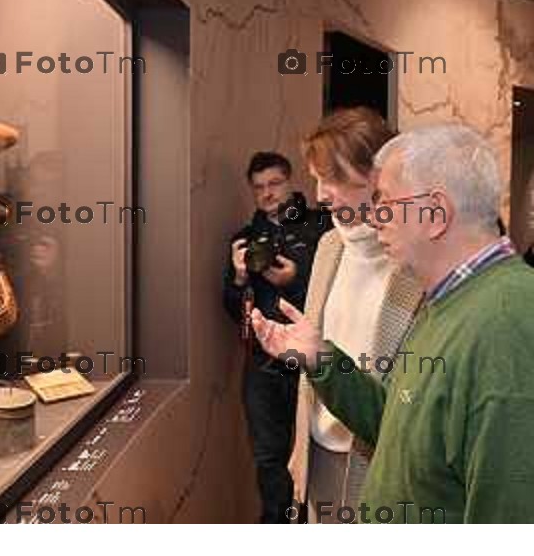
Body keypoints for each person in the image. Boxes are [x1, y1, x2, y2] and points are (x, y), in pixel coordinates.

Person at [251, 123, 534, 523]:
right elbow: (397, 423)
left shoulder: (507, 324)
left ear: (436, 214)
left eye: (385, 201)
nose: (373, 216)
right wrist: (321, 359)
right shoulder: (450, 300)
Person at [289, 107, 423, 524]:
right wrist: (300, 450)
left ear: (377, 176)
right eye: (316, 179)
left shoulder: (418, 262)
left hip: (383, 467)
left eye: (332, 179)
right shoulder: (329, 246)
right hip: (318, 458)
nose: (320, 195)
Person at [223, 151, 331, 523]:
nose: (267, 194)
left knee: (313, 449)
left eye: (274, 184)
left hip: (310, 360)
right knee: (268, 457)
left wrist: (295, 279)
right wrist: (239, 278)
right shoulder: (245, 239)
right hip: (263, 364)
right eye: (258, 188)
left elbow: (333, 293)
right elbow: (232, 310)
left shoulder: (323, 229)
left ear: (290, 181)